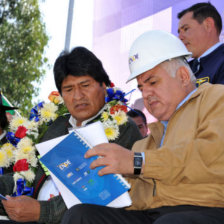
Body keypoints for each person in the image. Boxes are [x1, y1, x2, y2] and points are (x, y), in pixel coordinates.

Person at [61, 30, 224, 224]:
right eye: (140, 87)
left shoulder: (216, 99)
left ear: (182, 76)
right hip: (152, 214)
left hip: (207, 209)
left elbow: (211, 157)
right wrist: (100, 185)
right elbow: (136, 197)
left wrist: (138, 162)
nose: (146, 93)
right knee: (81, 215)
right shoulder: (146, 142)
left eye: (152, 82)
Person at [0, 47, 142, 224]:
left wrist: (42, 211)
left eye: (85, 85)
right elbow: (24, 176)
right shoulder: (52, 128)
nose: (77, 96)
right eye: (68, 89)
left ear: (104, 85)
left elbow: (99, 192)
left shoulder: (122, 128)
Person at [177, 2, 224, 86]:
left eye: (186, 29)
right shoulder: (184, 69)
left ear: (208, 25)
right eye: (179, 32)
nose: (180, 37)